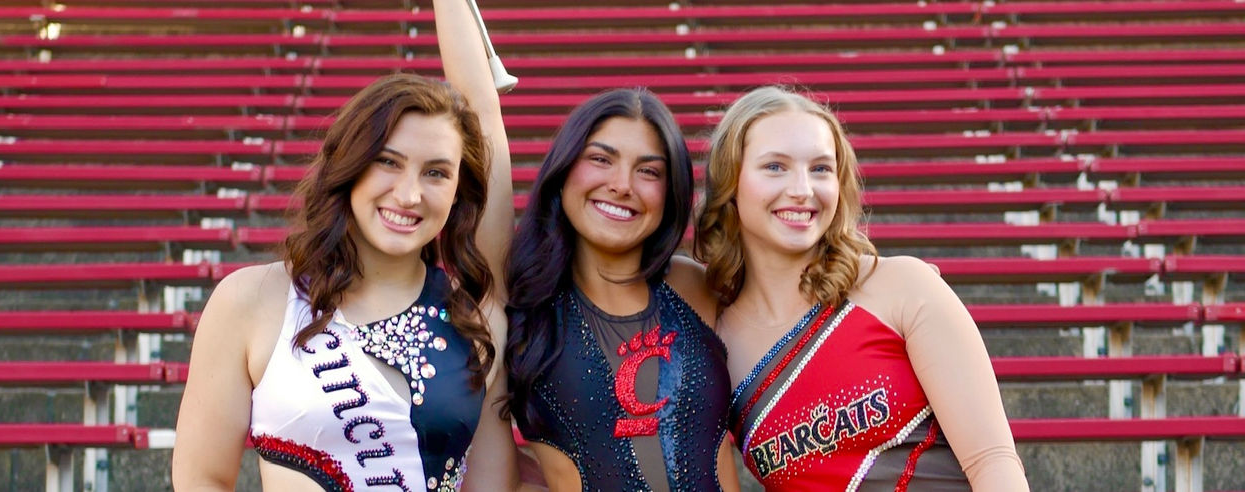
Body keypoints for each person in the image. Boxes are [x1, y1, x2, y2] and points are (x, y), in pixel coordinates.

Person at [171, 1, 522, 490]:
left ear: (459, 188)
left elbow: (492, 484)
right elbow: (203, 479)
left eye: (436, 172)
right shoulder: (250, 301)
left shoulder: (479, 323)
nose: (409, 194)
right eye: (388, 163)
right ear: (349, 167)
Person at [695, 86, 1028, 491]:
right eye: (775, 167)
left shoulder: (902, 287)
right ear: (730, 183)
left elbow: (992, 462)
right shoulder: (715, 347)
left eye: (820, 168)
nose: (803, 189)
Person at [502, 88, 740, 492]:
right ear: (564, 169)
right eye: (600, 159)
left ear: (671, 192)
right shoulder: (519, 299)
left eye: (648, 171)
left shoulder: (696, 287)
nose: (622, 184)